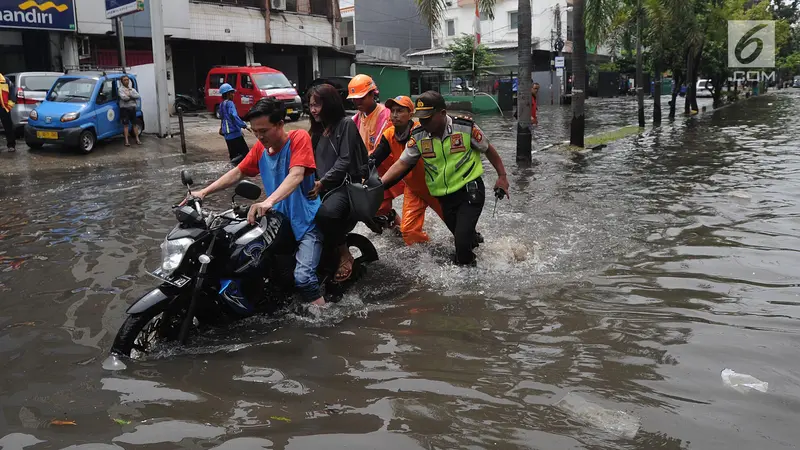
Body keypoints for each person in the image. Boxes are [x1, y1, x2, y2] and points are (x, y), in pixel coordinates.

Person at [186, 98, 325, 306]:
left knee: (304, 279)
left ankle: (324, 321)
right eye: (254, 131)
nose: (259, 136)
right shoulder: (261, 149)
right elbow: (238, 172)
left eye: (264, 130)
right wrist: (204, 192)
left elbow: (296, 175)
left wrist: (267, 202)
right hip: (278, 222)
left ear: (280, 124)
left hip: (307, 223)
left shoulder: (298, 138)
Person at [380, 91, 510, 265]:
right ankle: (480, 252)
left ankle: (468, 282)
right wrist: (380, 185)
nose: (423, 122)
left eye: (428, 118)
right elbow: (402, 163)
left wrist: (502, 176)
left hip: (469, 190)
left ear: (442, 113)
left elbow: (488, 149)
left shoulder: (464, 127)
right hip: (443, 196)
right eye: (421, 118)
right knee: (464, 238)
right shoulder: (419, 135)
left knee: (461, 244)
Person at [307, 83, 369, 282]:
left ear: (330, 104)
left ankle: (344, 253)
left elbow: (345, 160)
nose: (313, 110)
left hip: (346, 187)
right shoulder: (316, 131)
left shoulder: (346, 124)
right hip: (323, 187)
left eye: (318, 105)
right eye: (310, 105)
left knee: (325, 214)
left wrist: (322, 182)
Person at [370, 96, 444, 246]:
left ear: (411, 114)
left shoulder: (421, 131)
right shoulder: (389, 134)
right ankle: (428, 254)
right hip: (414, 189)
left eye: (400, 111)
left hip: (437, 187)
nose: (395, 115)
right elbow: (374, 159)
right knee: (409, 232)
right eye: (392, 111)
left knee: (457, 227)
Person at [347, 74, 403, 232]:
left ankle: (401, 232)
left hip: (386, 168)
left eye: (361, 98)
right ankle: (397, 229)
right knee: (376, 210)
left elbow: (380, 149)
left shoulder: (386, 116)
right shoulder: (357, 118)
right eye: (354, 99)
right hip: (370, 169)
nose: (357, 102)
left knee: (379, 208)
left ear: (373, 94)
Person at [218, 83, 250, 162]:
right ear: (228, 94)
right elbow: (234, 116)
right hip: (234, 132)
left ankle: (232, 168)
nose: (233, 94)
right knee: (245, 153)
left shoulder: (221, 104)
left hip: (227, 134)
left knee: (233, 155)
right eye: (232, 93)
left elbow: (222, 118)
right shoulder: (230, 103)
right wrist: (244, 126)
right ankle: (233, 165)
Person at [118, 75, 142, 147]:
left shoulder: (132, 89)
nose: (127, 81)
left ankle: (137, 139)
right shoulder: (120, 89)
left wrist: (130, 95)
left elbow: (138, 96)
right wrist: (132, 97)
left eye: (127, 80)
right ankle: (126, 141)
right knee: (126, 125)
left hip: (132, 109)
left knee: (134, 124)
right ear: (122, 81)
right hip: (125, 109)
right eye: (125, 80)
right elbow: (124, 98)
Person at [0, 72, 16, 152]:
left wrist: (9, 105)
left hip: (4, 107)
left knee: (8, 126)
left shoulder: (5, 81)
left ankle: (11, 145)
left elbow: (12, 93)